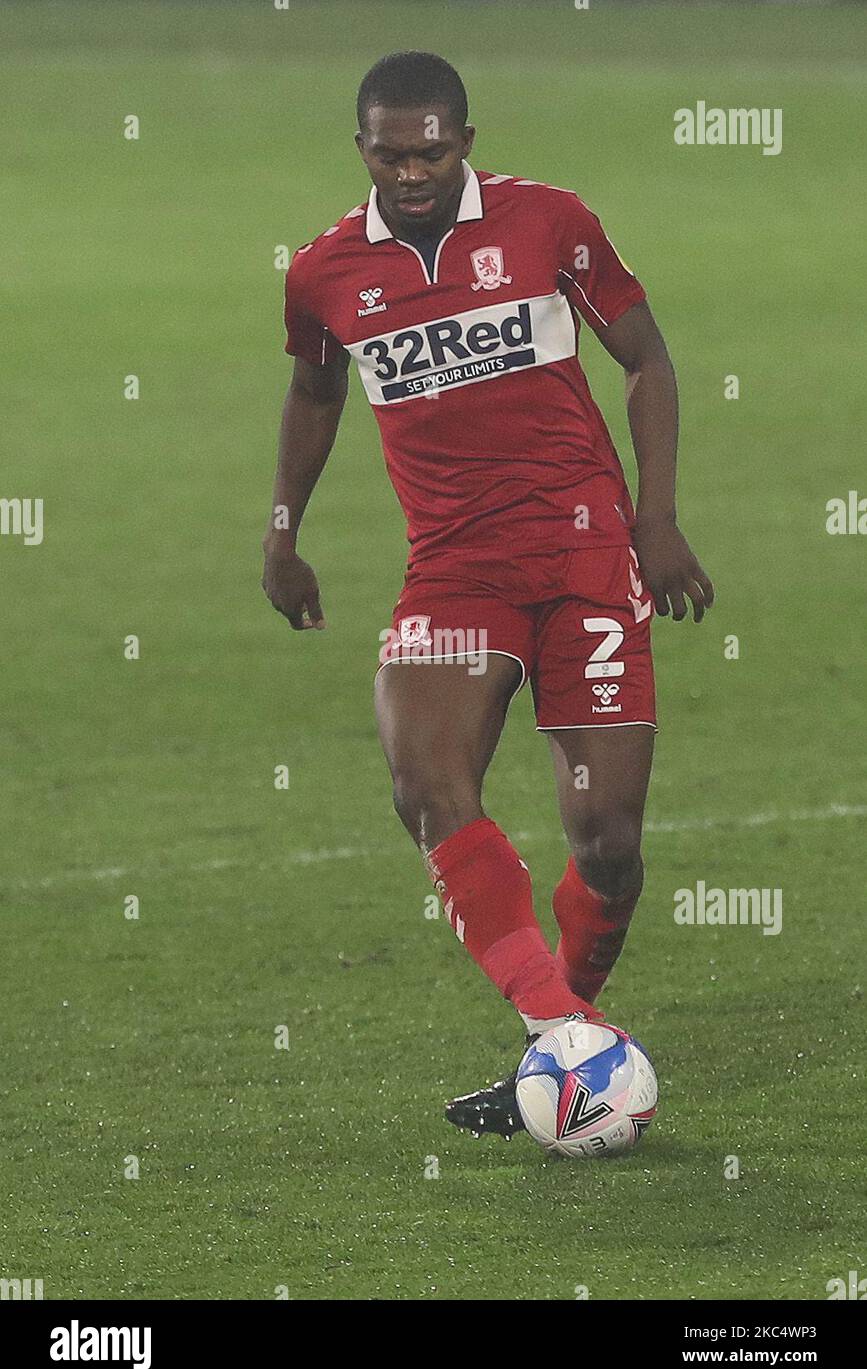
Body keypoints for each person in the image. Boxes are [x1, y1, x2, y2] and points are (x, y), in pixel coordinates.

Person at [263, 51, 713, 1139]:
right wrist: (285, 529)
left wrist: (654, 520)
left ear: (466, 139)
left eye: (430, 149)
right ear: (361, 146)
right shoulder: (325, 270)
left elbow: (646, 358)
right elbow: (316, 388)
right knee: (425, 780)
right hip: (454, 568)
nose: (410, 171)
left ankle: (562, 1028)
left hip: (585, 555)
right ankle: (563, 1034)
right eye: (388, 152)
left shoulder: (549, 223)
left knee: (605, 836)